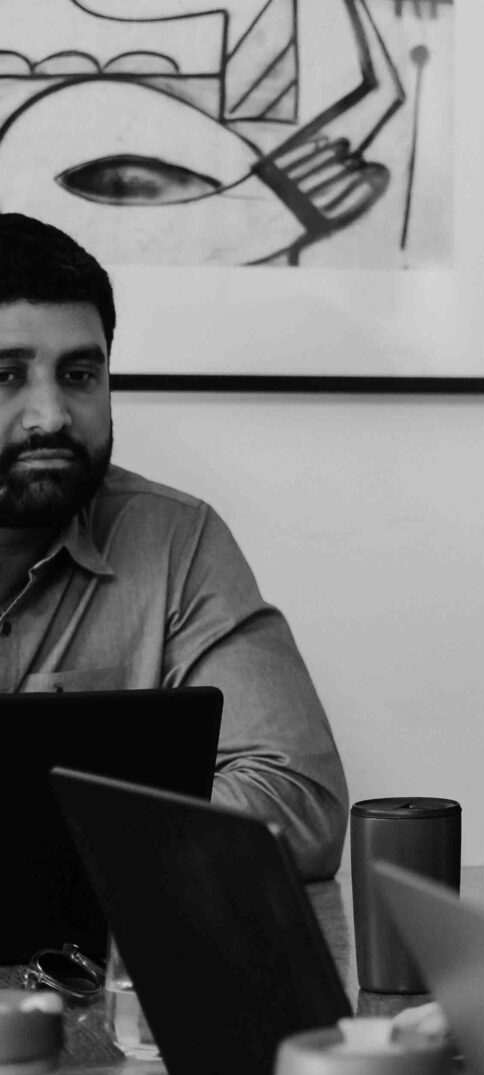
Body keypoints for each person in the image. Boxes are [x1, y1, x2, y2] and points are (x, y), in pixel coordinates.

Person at [0, 213, 347, 876]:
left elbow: (300, 802)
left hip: (89, 974)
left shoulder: (174, 540)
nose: (50, 416)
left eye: (78, 375)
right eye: (6, 374)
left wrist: (37, 841)